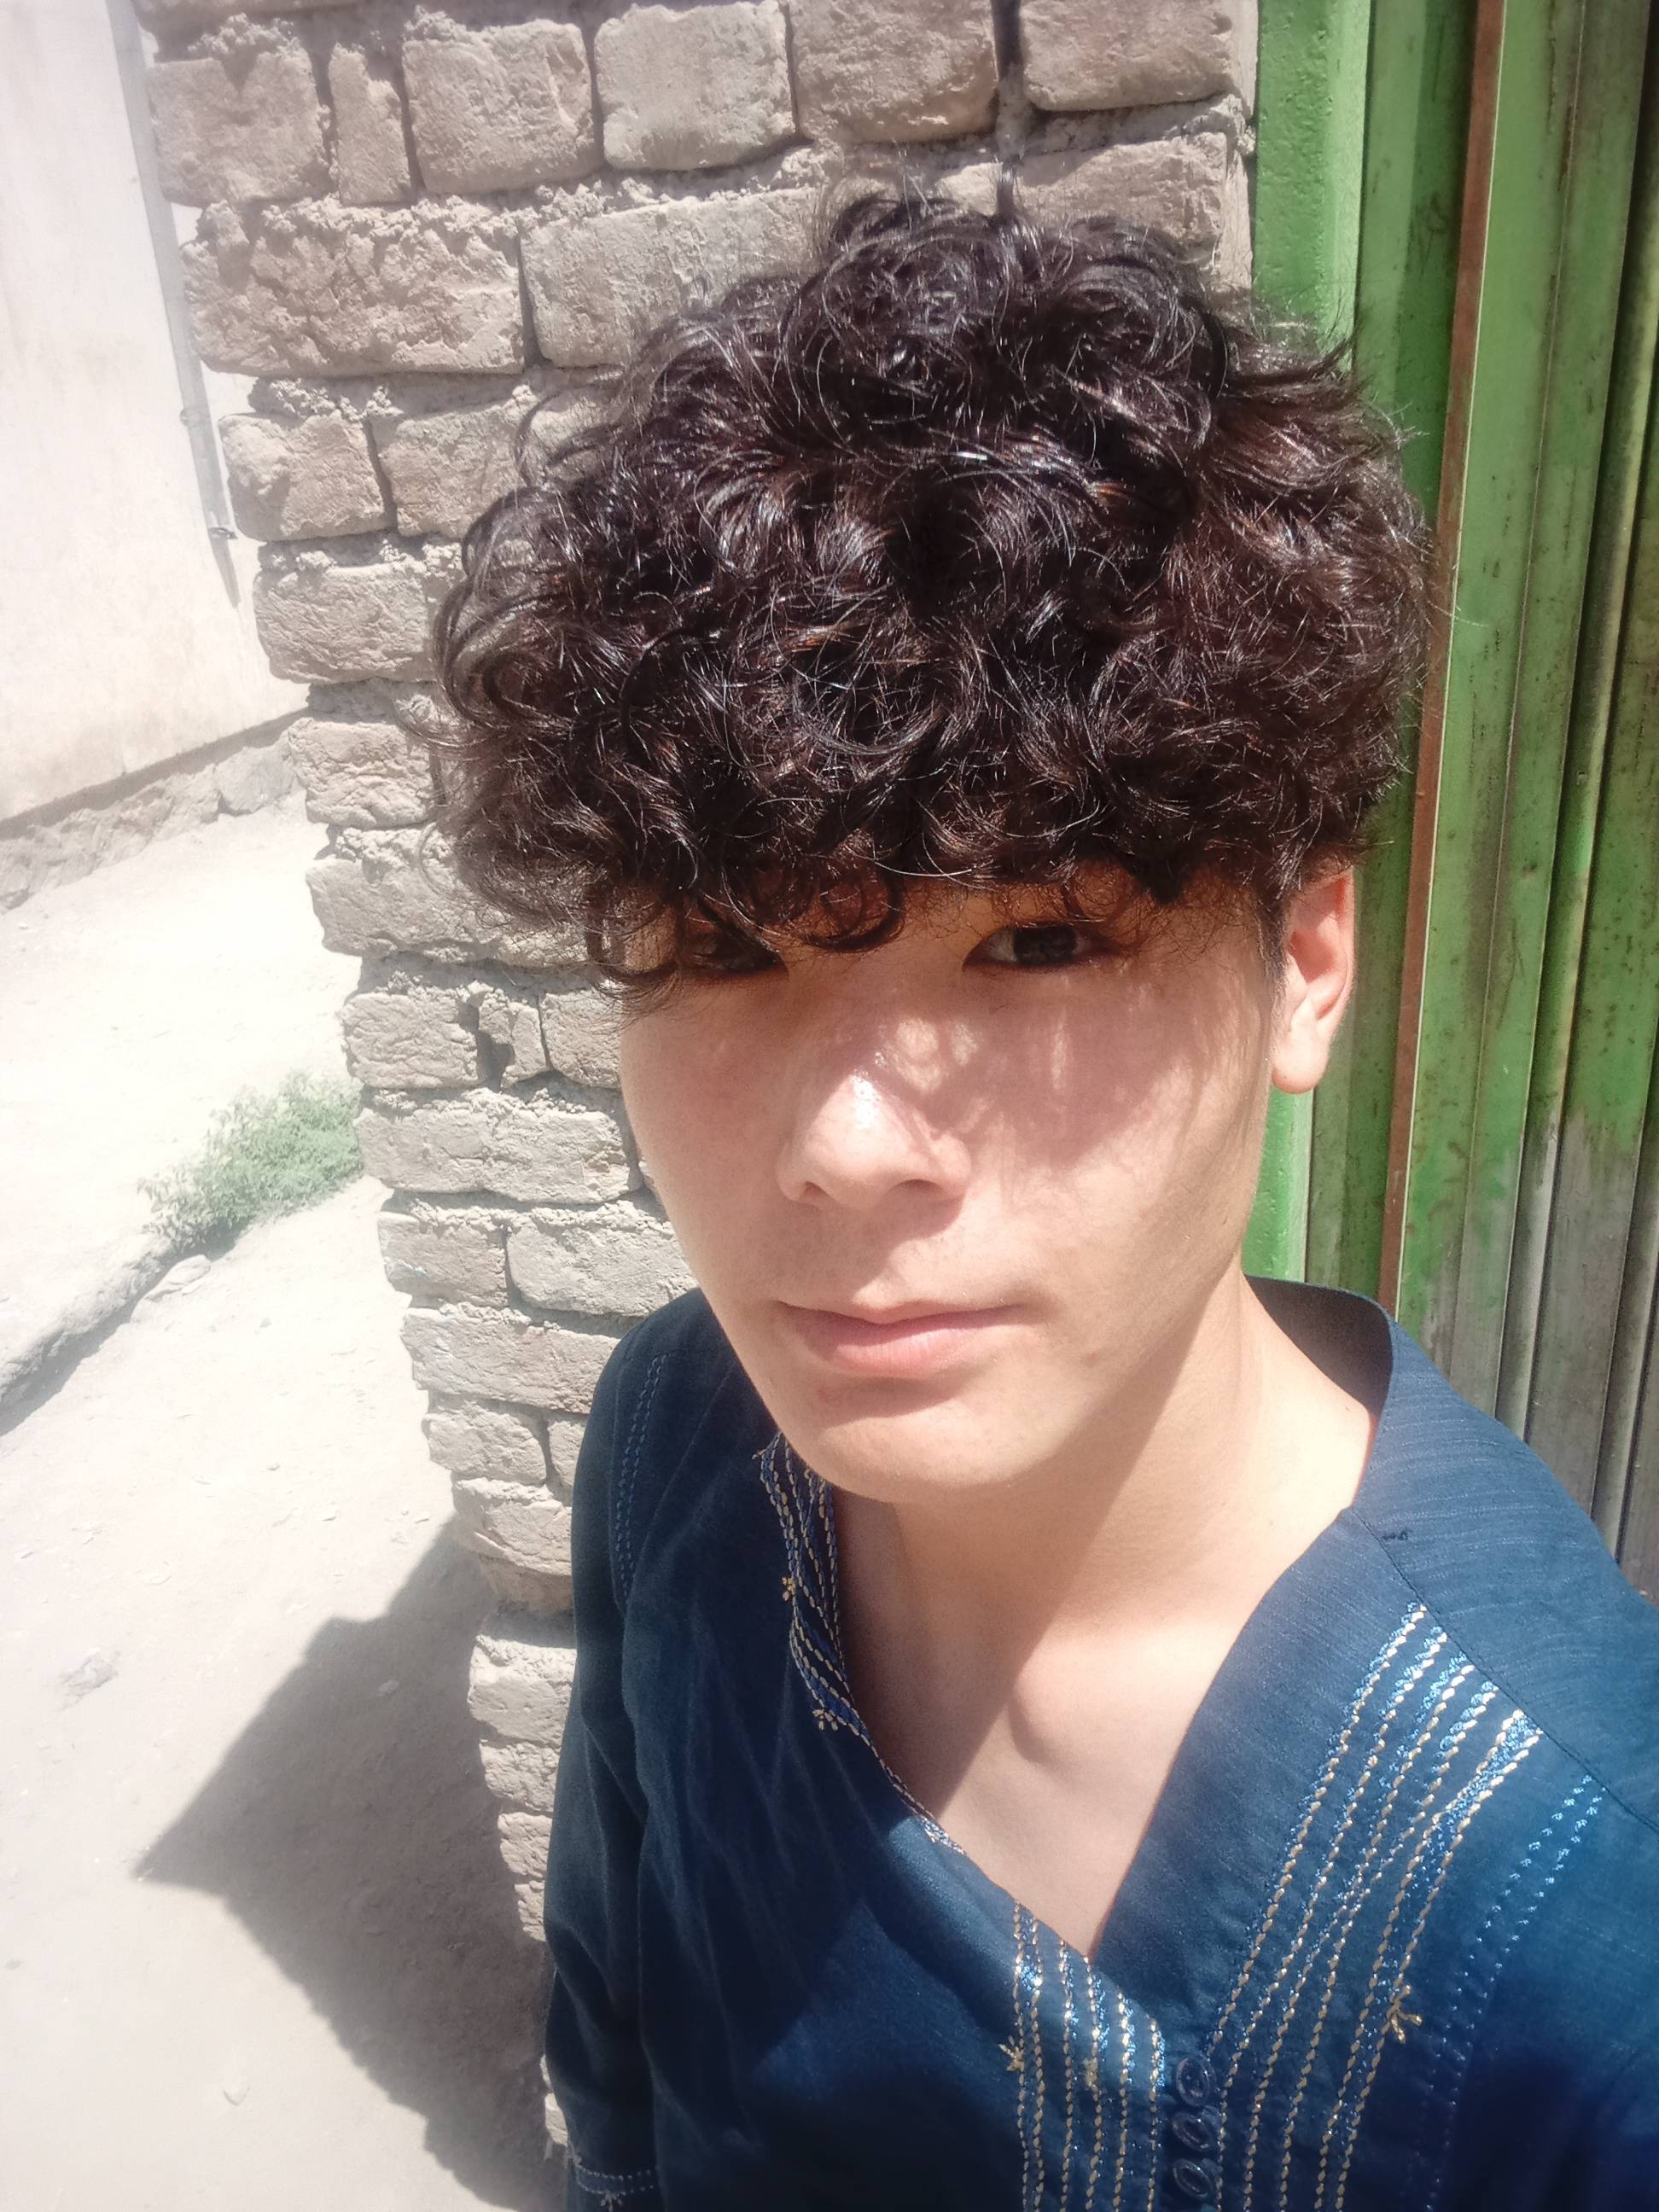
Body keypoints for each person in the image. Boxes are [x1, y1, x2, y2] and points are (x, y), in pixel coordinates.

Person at [433, 186, 1659, 2210]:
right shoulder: (679, 1436)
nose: (848, 1143)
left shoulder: (1583, 1923)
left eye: (1039, 942)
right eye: (725, 947)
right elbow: (618, 2061)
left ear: (1309, 965)